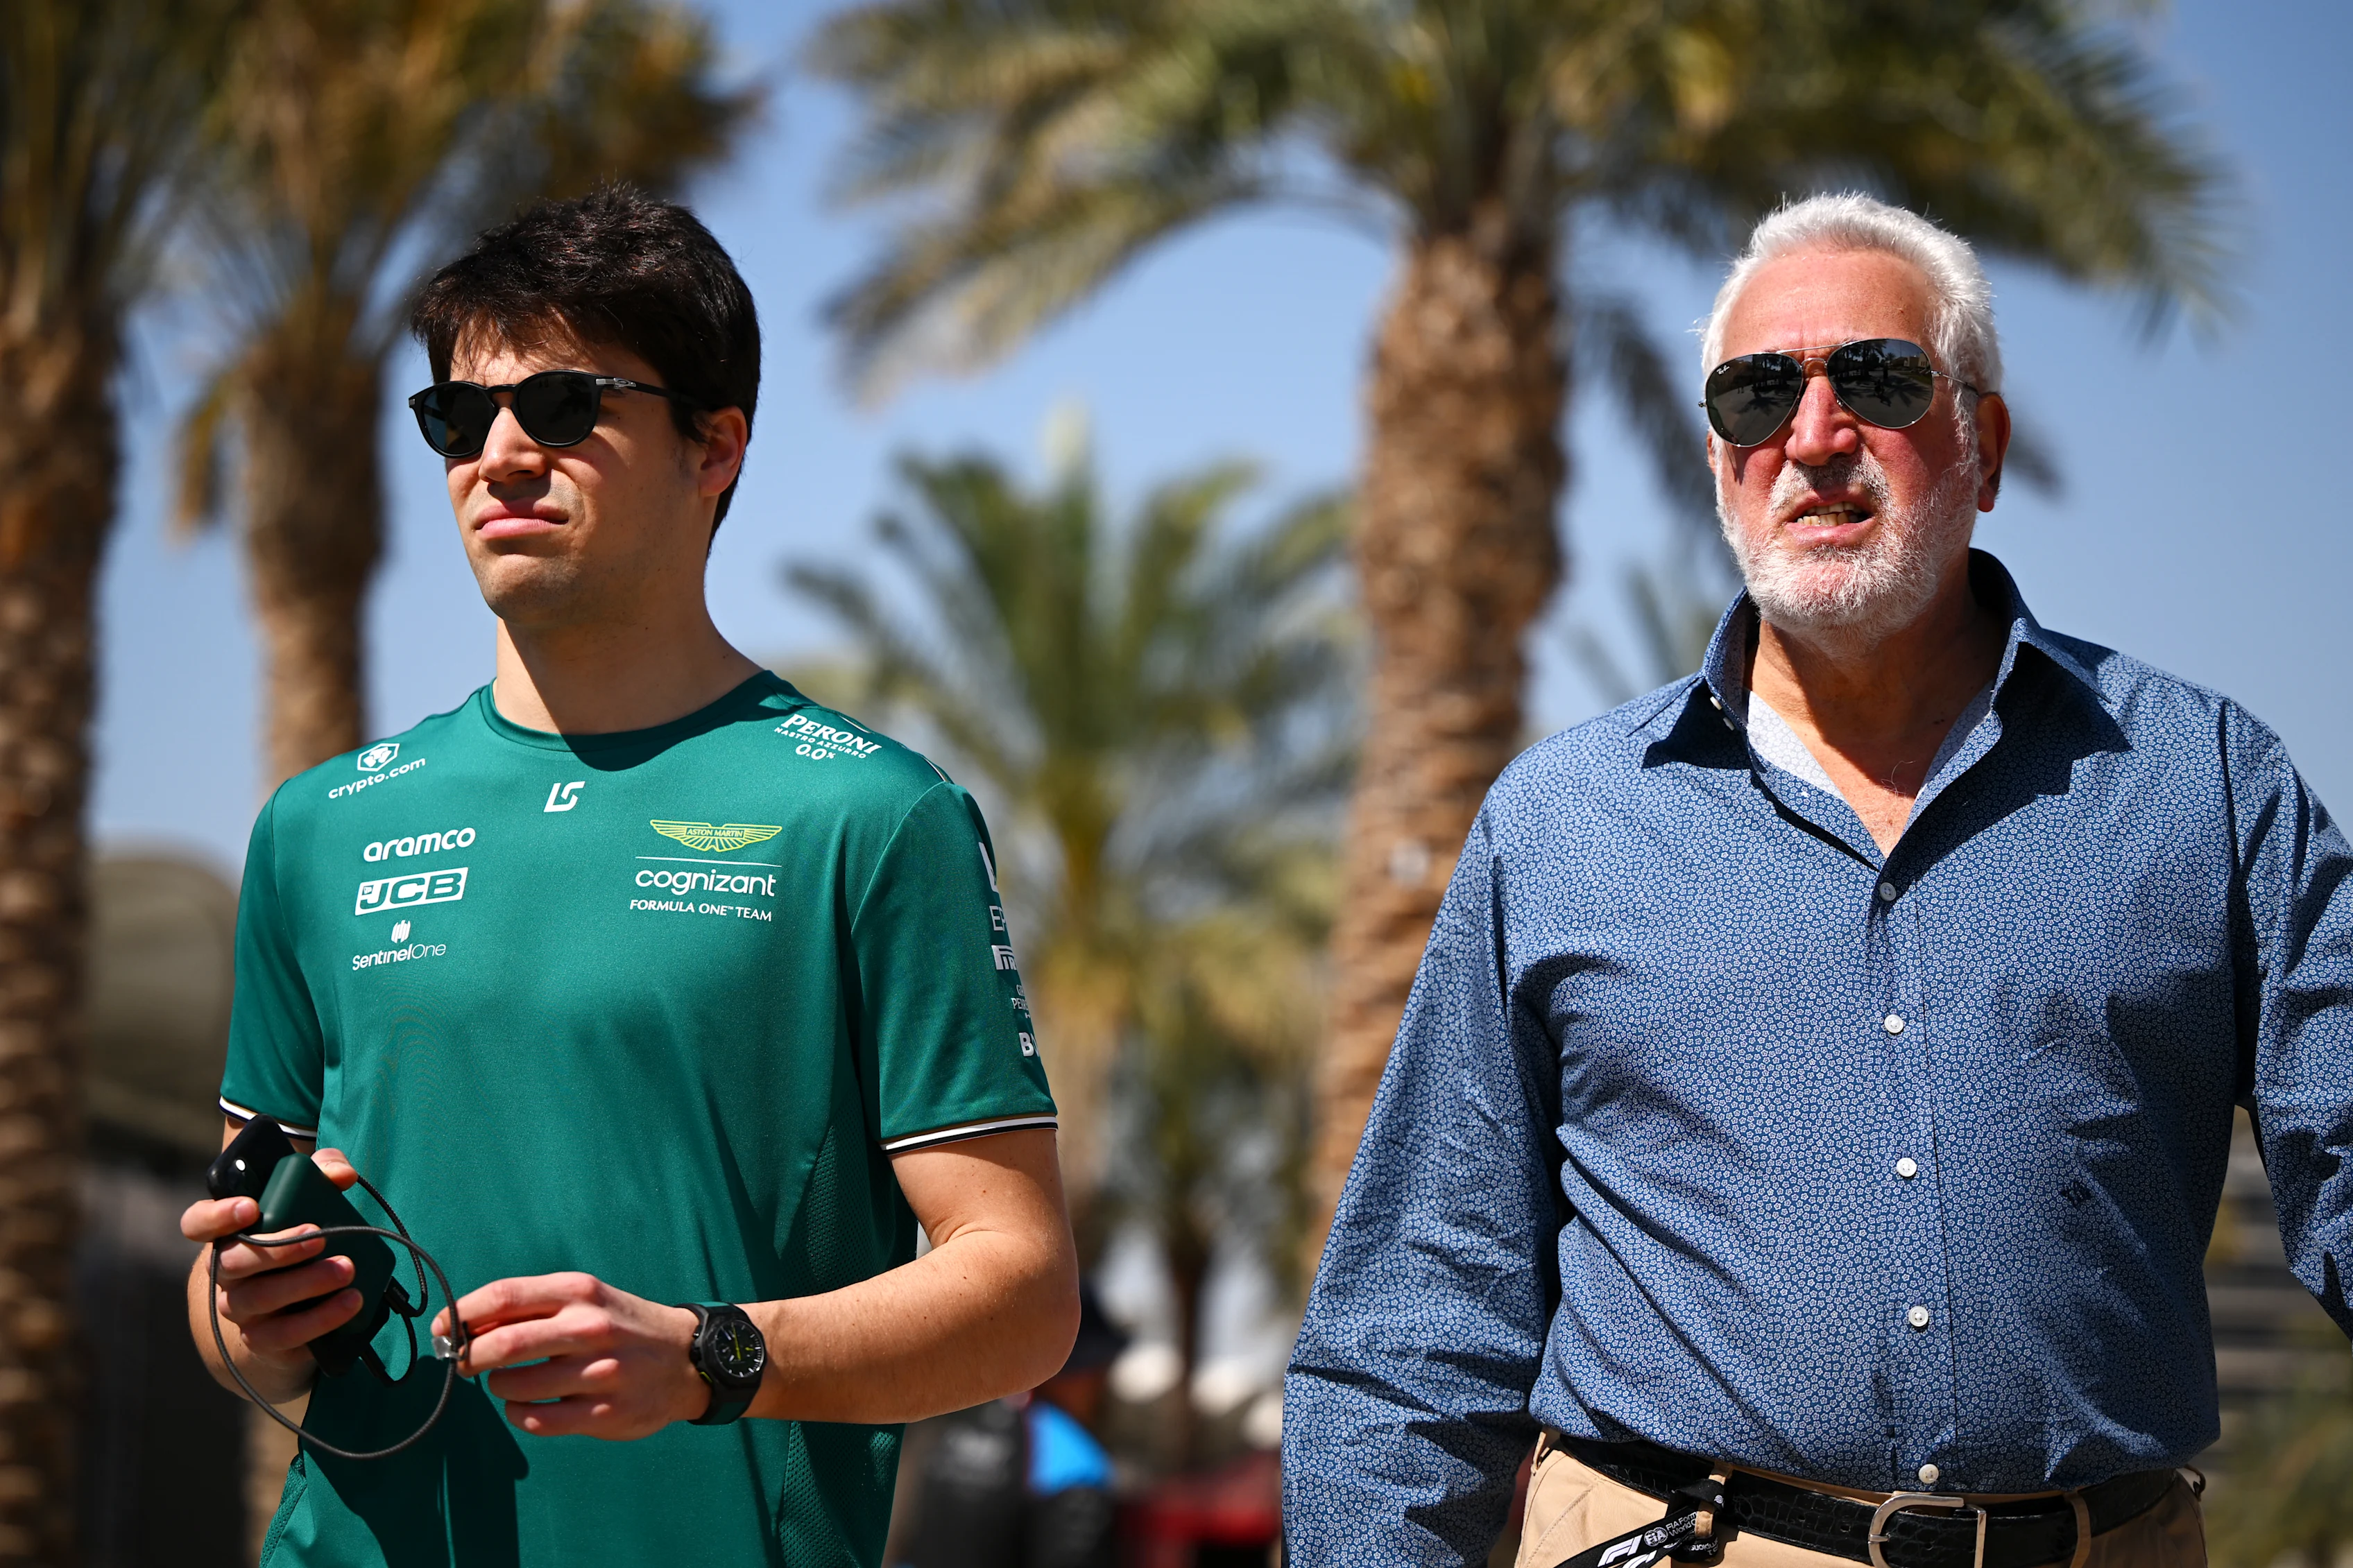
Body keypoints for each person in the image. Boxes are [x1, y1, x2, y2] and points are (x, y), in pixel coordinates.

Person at [1283, 192, 2350, 1567]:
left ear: (1985, 443)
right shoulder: (1560, 823)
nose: (1813, 432)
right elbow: (1414, 1326)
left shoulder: (2201, 784)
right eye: (1757, 391)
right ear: (1720, 458)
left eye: (1879, 378)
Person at [178, 186, 1080, 1567]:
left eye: (559, 405)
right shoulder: (320, 826)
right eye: (456, 417)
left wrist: (711, 1354)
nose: (497, 454)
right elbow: (228, 1301)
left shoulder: (872, 814)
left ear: (713, 445)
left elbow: (1023, 1290)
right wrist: (250, 1300)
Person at [891, 1282, 1129, 1568]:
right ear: (1067, 1367)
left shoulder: (952, 1428)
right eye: (1097, 1370)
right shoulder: (1071, 1457)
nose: (1102, 1386)